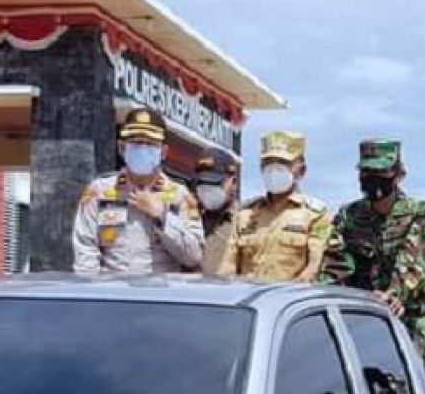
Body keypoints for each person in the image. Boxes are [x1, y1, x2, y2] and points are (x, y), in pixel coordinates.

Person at [319, 138, 425, 363]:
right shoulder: (349, 216)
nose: (373, 181)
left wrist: (393, 295)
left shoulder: (418, 213)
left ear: (399, 174)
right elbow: (335, 266)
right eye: (367, 173)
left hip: (405, 316)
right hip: (356, 316)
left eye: (381, 173)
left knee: (406, 383)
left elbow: (413, 262)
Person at [72, 108, 204, 274]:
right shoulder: (99, 192)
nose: (142, 149)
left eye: (150, 144)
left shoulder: (180, 196)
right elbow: (85, 252)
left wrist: (162, 217)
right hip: (111, 292)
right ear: (121, 148)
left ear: (163, 153)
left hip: (161, 294)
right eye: (135, 143)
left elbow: (193, 256)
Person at [218, 131, 331, 282]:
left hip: (291, 301)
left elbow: (314, 269)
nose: (274, 169)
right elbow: (228, 266)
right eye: (268, 163)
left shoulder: (315, 215)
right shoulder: (245, 214)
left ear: (301, 171)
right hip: (247, 299)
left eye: (283, 163)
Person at [192, 150, 241, 275]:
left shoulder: (246, 221)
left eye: (214, 183)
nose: (207, 189)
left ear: (233, 182)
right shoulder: (186, 216)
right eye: (202, 183)